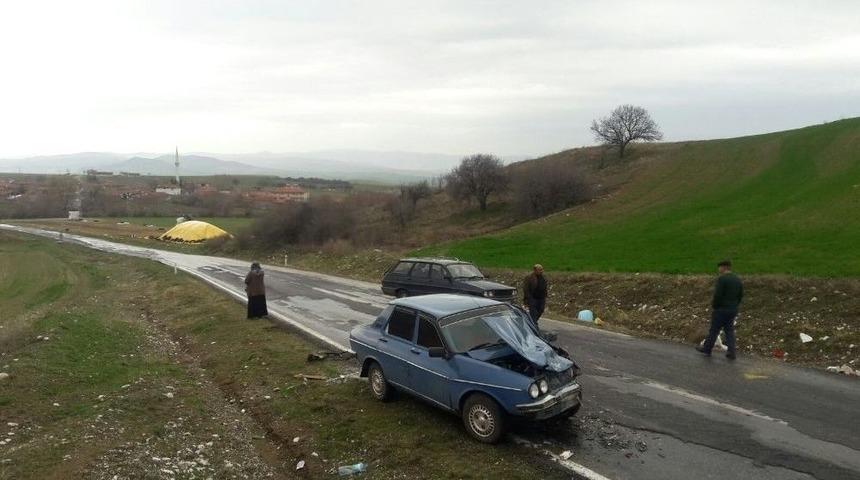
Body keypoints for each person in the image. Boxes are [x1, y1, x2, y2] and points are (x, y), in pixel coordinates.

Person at [697, 260, 743, 359]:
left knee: (714, 329)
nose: (719, 269)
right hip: (733, 309)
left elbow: (718, 295)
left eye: (719, 267)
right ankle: (731, 352)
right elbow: (740, 295)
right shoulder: (737, 279)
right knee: (729, 330)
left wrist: (715, 305)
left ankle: (707, 349)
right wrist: (735, 305)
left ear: (723, 267)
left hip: (721, 309)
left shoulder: (722, 279)